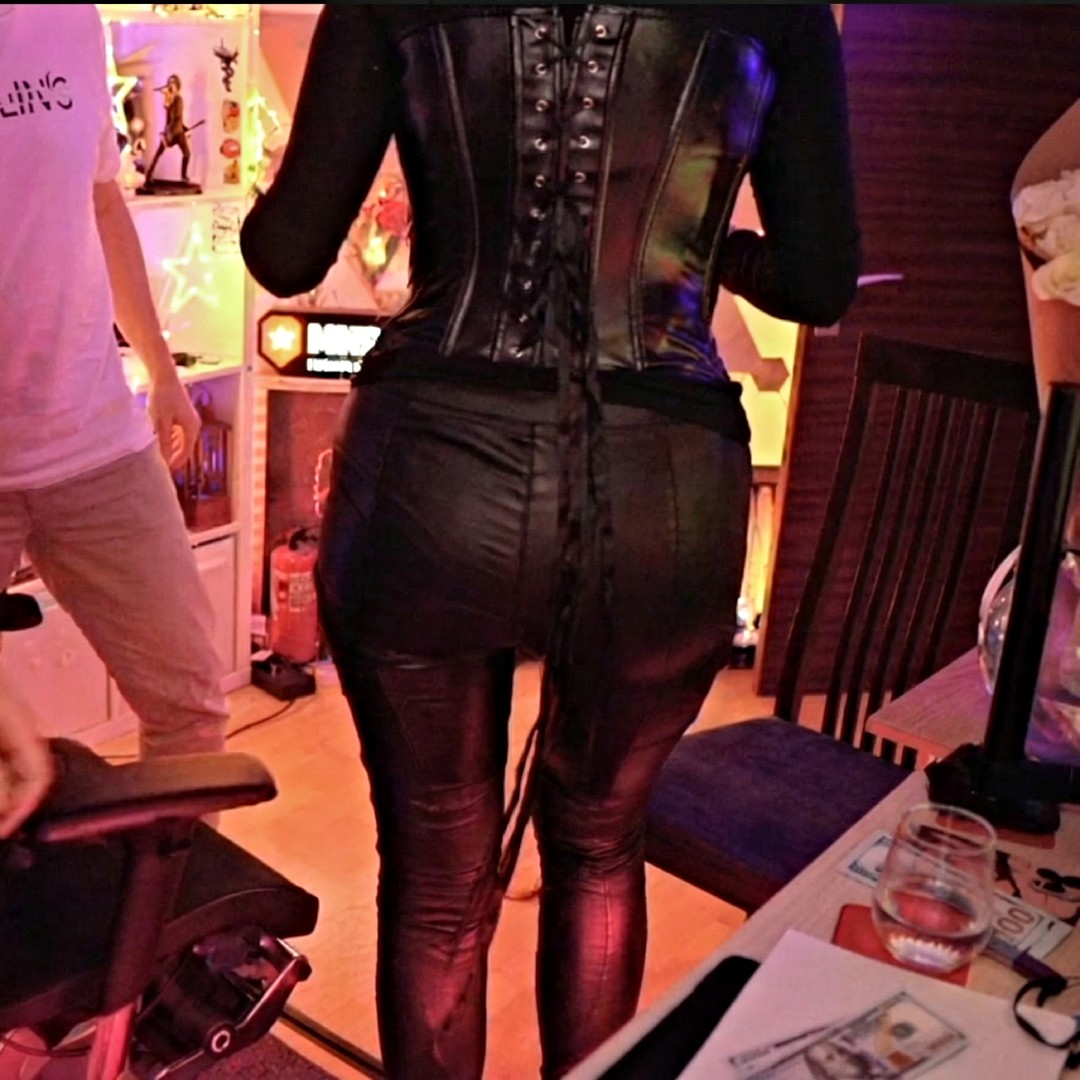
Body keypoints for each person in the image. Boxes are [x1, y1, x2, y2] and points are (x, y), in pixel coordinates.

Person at [241, 6, 860, 1078]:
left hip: (431, 480)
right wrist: (705, 242)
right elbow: (821, 280)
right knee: (603, 848)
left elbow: (285, 252)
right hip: (661, 488)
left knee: (435, 883)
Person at [0, 5, 228, 773]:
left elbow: (100, 200)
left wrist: (161, 368)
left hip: (95, 436)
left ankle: (168, 860)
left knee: (189, 706)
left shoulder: (69, 19)